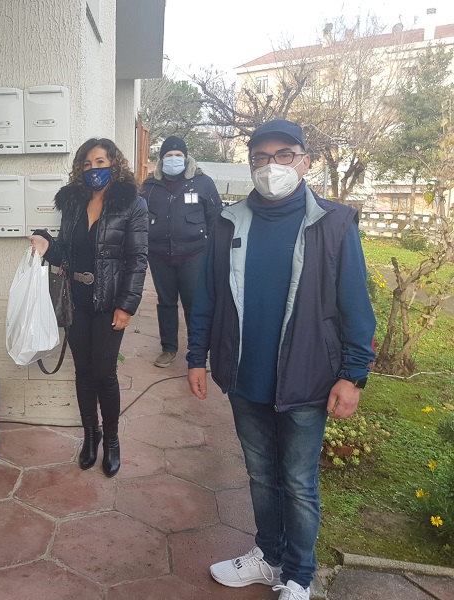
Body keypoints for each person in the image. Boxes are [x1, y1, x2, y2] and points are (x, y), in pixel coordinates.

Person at [186, 119, 375, 600]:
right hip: (245, 375)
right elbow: (207, 296)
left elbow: (356, 305)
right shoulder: (228, 222)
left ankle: (298, 576)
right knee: (260, 475)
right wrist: (196, 356)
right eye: (261, 158)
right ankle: (269, 557)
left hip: (307, 379)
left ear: (305, 161)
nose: (272, 166)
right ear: (251, 165)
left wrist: (353, 375)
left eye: (283, 155)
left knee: (298, 481)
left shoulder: (334, 224)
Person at [29, 138, 148, 477]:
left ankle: (112, 441)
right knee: (83, 372)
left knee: (104, 374)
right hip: (76, 300)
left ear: (114, 164)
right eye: (86, 164)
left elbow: (137, 259)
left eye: (100, 162)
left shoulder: (132, 204)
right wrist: (46, 244)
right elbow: (66, 254)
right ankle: (90, 437)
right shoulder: (73, 203)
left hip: (110, 303)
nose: (93, 169)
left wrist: (127, 305)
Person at [141, 136, 221, 368]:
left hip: (194, 255)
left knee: (194, 304)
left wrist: (213, 252)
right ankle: (168, 348)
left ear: (186, 158)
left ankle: (198, 353)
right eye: (169, 155)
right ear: (161, 159)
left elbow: (215, 219)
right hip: (159, 256)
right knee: (166, 303)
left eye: (178, 155)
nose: (174, 159)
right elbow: (139, 218)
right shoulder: (149, 186)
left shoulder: (203, 183)